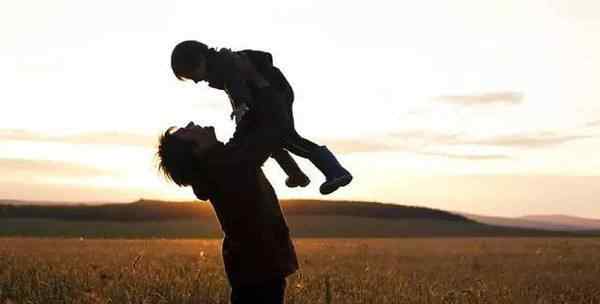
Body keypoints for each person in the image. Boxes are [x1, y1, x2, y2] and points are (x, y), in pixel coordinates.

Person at [170, 40, 352, 194]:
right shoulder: (219, 66)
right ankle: (296, 174)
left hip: (271, 100)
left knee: (287, 138)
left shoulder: (223, 63)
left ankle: (335, 171)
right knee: (267, 139)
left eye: (191, 74)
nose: (194, 80)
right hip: (266, 100)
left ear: (199, 60)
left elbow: (236, 86)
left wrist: (241, 107)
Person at [157, 119, 298, 303]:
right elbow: (260, 143)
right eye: (185, 131)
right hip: (259, 264)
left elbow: (245, 142)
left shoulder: (221, 162)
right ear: (196, 150)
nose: (191, 124)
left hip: (254, 265)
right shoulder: (224, 166)